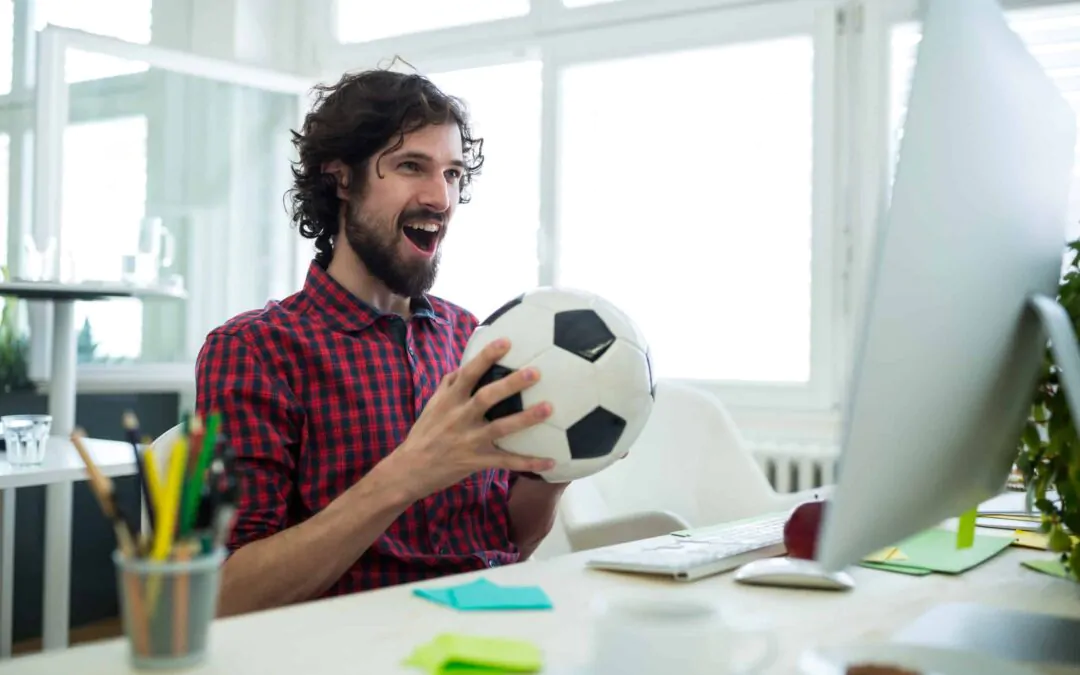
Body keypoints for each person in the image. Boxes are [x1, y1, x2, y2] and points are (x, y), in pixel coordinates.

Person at [195, 67, 568, 618]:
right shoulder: (255, 351)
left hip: (493, 628)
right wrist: (407, 475)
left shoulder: (473, 338)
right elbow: (226, 596)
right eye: (411, 166)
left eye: (454, 174)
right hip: (354, 648)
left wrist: (557, 469)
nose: (441, 197)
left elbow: (509, 542)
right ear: (341, 179)